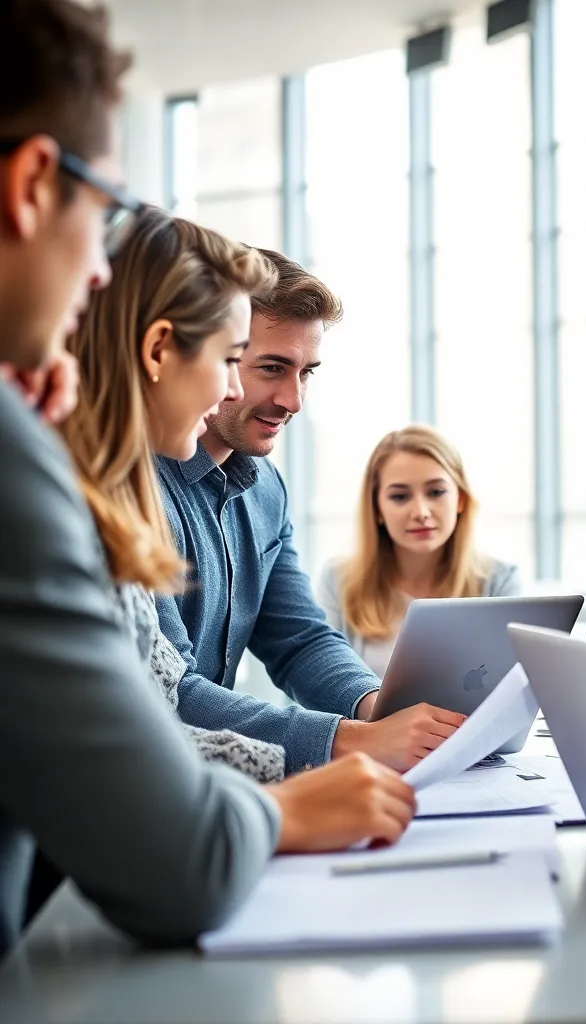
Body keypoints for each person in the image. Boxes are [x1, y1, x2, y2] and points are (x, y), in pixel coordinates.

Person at [0, 0, 413, 955]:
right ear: (31, 185)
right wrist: (306, 791)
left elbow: (295, 636)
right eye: (99, 207)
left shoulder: (238, 488)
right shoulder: (40, 473)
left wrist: (364, 710)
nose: (95, 276)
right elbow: (176, 853)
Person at [155, 252, 464, 775]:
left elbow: (299, 639)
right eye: (272, 368)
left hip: (207, 779)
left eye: (306, 373)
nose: (293, 399)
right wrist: (351, 741)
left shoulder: (266, 488)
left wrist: (379, 709)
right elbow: (170, 690)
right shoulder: (138, 491)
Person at [63, 205, 294, 782]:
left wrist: (315, 764)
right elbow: (113, 760)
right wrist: (298, 789)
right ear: (159, 350)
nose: (234, 389)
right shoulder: (67, 506)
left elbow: (153, 722)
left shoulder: (109, 493)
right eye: (229, 359)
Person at [317, 425, 521, 676]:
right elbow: (320, 682)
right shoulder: (338, 581)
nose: (421, 512)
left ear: (460, 499)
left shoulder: (500, 582)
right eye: (400, 497)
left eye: (436, 492)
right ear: (377, 509)